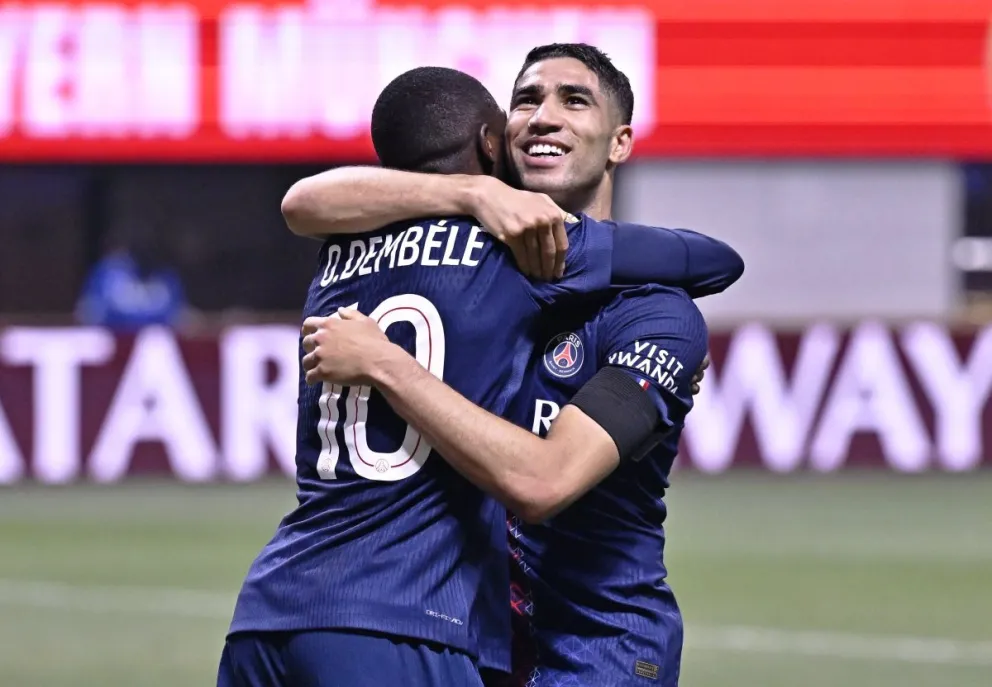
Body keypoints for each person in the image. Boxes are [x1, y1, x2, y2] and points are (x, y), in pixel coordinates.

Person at [220, 65, 740, 687]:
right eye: (526, 99)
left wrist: (387, 363)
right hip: (459, 633)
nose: (544, 115)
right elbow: (303, 202)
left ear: (621, 142)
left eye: (574, 100)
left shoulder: (654, 313)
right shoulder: (496, 263)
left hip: (592, 649)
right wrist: (471, 196)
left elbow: (545, 480)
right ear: (497, 139)